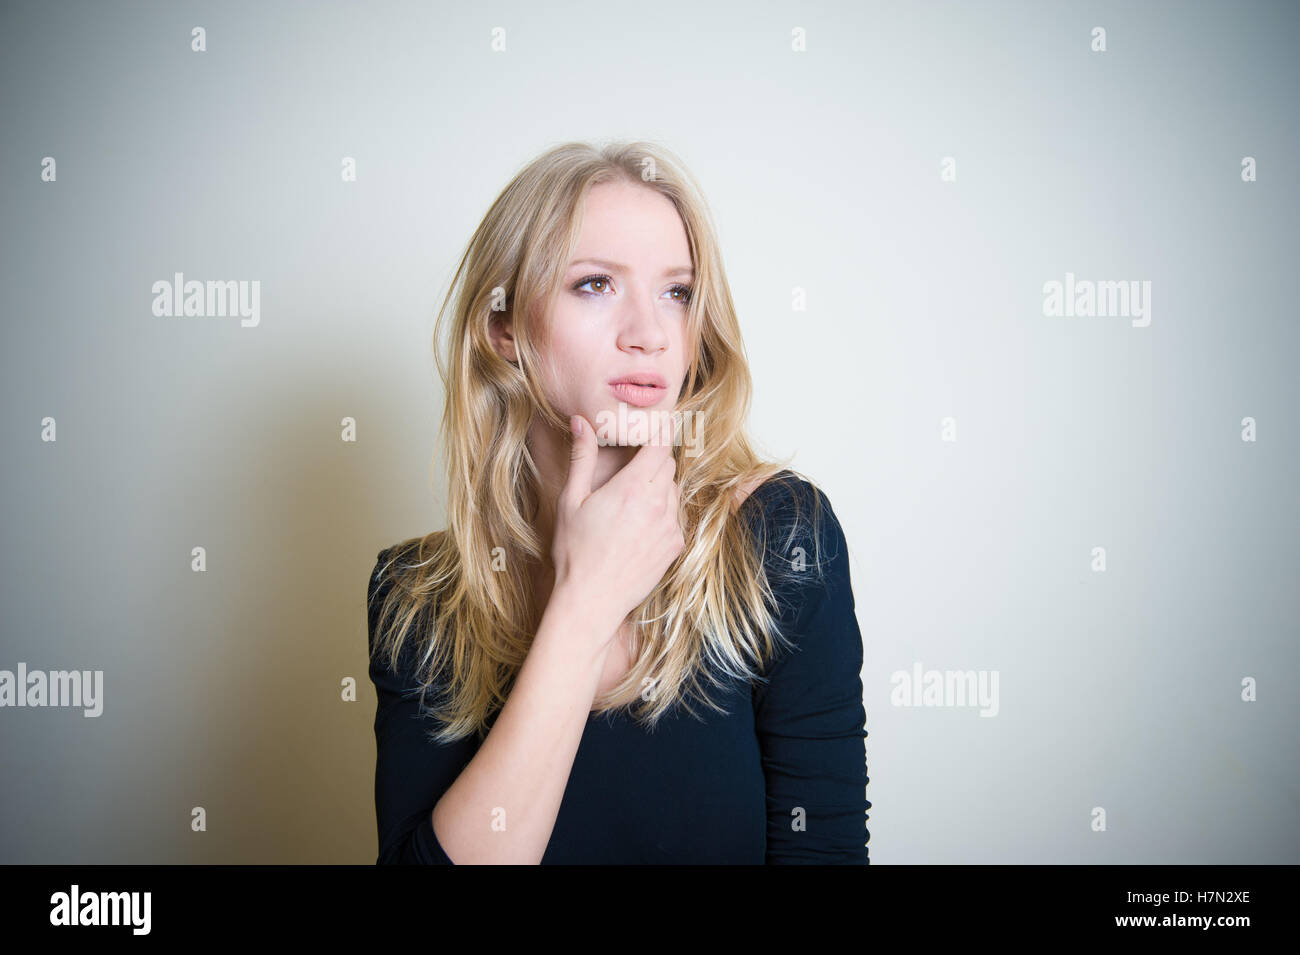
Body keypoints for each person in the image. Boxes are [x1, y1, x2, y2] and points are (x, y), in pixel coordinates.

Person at [367, 140, 869, 864]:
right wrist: (584, 606)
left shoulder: (782, 539)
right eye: (596, 284)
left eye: (678, 292)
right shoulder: (415, 599)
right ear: (503, 327)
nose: (650, 334)